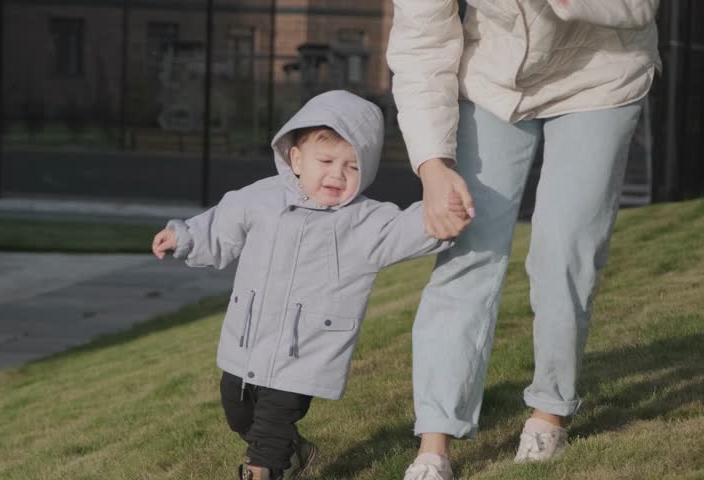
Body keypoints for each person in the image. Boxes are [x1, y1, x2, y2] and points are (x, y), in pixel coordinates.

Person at [387, 1, 661, 478]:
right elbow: (420, 42)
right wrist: (432, 166)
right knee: (466, 250)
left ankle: (548, 415)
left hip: (601, 75)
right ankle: (434, 447)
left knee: (563, 253)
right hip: (492, 78)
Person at [151, 90, 458, 480]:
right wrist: (185, 237)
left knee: (270, 431)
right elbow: (220, 226)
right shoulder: (260, 198)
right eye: (326, 161)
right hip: (247, 339)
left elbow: (408, 229)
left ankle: (264, 469)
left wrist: (444, 214)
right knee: (238, 412)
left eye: (352, 167)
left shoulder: (364, 222)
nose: (336, 174)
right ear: (296, 158)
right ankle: (294, 452)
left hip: (306, 348)